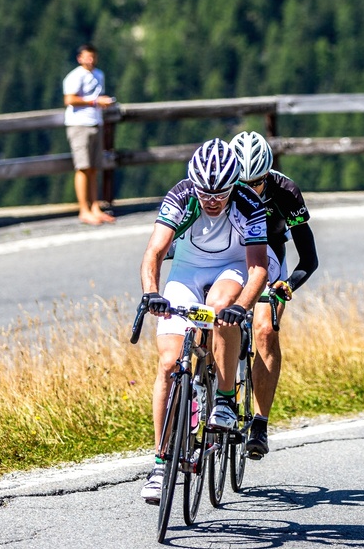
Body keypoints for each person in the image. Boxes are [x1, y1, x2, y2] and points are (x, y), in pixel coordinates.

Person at [137, 138, 269, 503]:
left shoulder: (248, 203)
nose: (212, 200)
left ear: (233, 186)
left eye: (220, 193)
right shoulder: (180, 196)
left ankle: (224, 400)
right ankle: (161, 461)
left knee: (219, 307)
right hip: (187, 270)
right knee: (168, 364)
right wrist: (151, 292)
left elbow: (258, 266)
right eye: (205, 192)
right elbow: (155, 251)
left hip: (232, 268)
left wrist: (241, 306)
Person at [229, 130, 320, 460]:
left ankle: (259, 423)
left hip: (269, 254)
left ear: (268, 174)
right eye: (242, 183)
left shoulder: (286, 192)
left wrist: (289, 286)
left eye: (257, 182)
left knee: (265, 331)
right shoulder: (220, 186)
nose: (249, 190)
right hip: (229, 253)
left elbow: (309, 259)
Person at [63, 44, 116, 226]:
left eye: (93, 57)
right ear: (80, 58)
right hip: (79, 124)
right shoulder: (75, 76)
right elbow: (69, 99)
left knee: (94, 167)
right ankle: (83, 210)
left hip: (96, 122)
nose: (91, 60)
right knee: (83, 167)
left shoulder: (99, 74)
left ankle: (95, 207)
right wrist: (95, 102)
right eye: (87, 57)